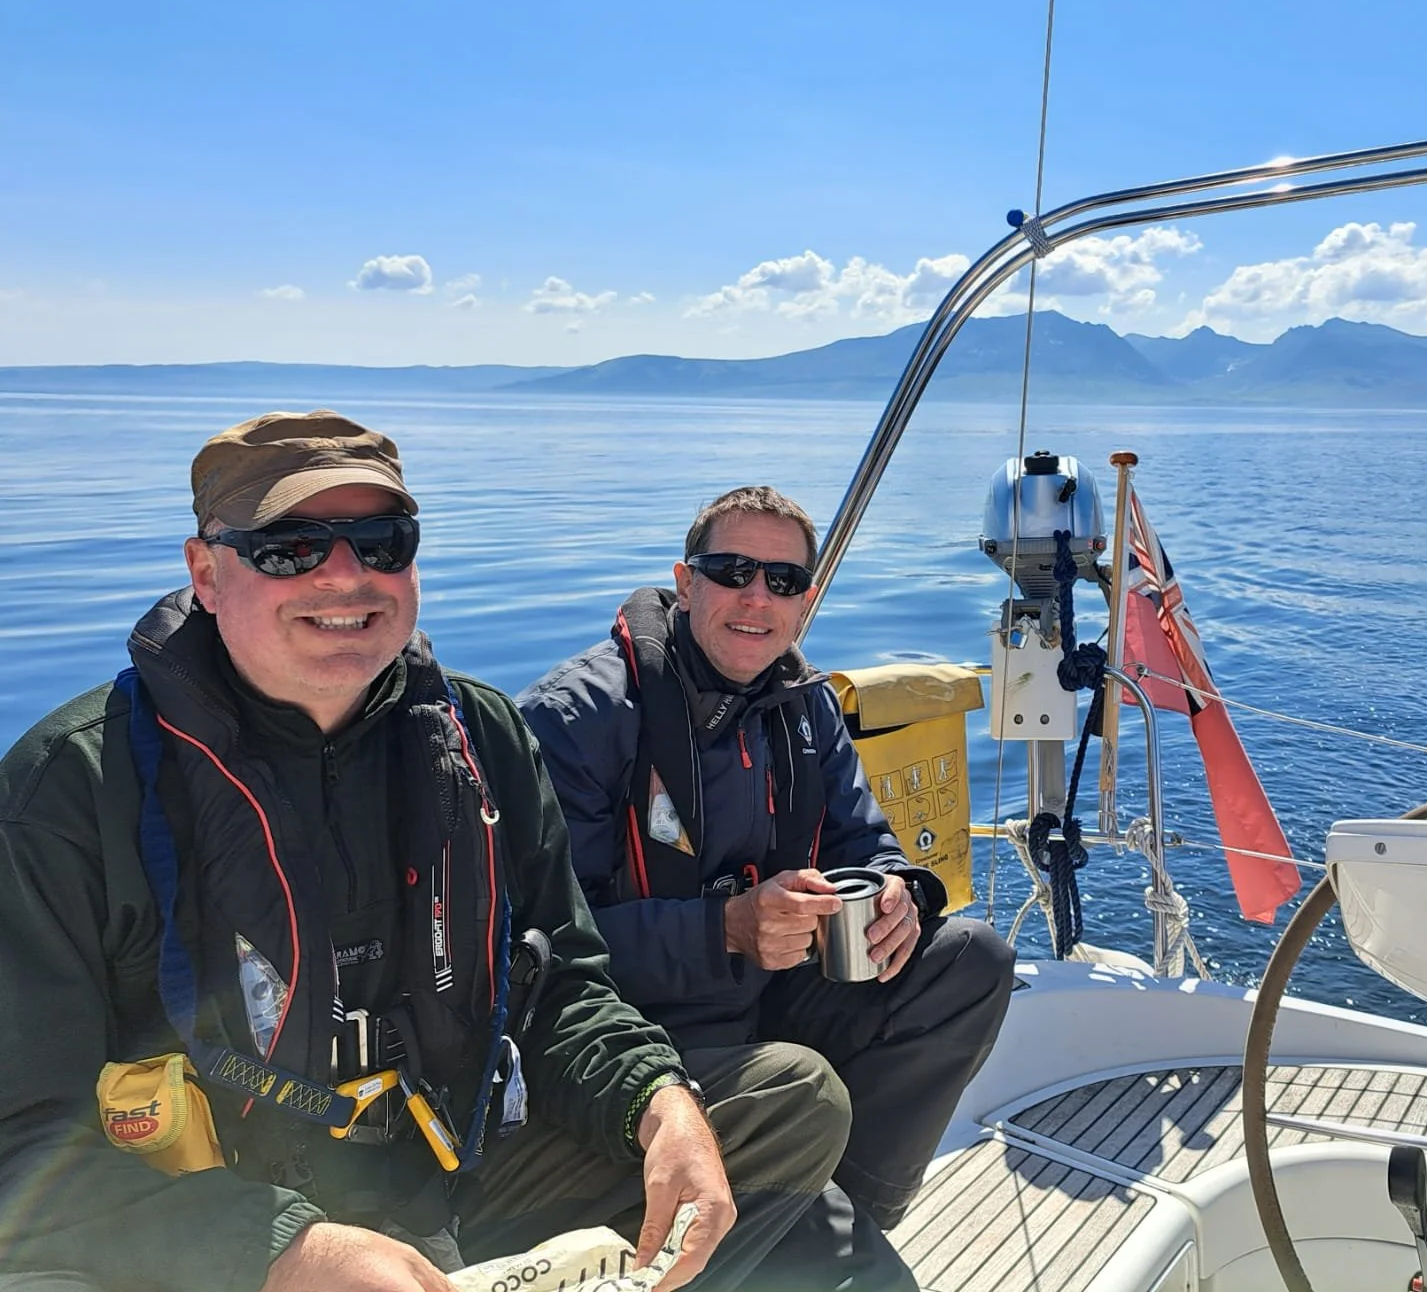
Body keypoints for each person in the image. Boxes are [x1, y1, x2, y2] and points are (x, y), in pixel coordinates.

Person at [0, 412, 846, 1292]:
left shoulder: (479, 737)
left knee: (783, 1103)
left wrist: (659, 1104)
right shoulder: (68, 792)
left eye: (381, 542)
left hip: (447, 1183)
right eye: (289, 547)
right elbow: (20, 1148)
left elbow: (558, 986)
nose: (346, 576)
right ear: (207, 573)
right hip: (207, 1231)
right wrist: (280, 1248)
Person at [518, 485, 1016, 1291]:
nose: (758, 597)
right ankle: (810, 1219)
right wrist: (726, 929)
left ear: (806, 600)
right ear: (686, 583)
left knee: (971, 957)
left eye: (782, 581)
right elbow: (538, 953)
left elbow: (870, 843)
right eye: (732, 571)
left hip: (771, 1007)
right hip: (640, 1039)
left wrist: (902, 897)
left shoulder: (807, 706)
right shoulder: (576, 719)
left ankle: (840, 1204)